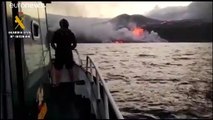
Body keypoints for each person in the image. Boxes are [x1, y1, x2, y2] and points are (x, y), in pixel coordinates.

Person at [51, 18, 77, 86]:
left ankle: (57, 84)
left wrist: (56, 48)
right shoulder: (70, 33)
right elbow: (75, 44)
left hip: (59, 53)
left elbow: (52, 43)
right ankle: (72, 83)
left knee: (58, 68)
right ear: (67, 24)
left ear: (60, 25)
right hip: (68, 53)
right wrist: (70, 48)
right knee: (70, 68)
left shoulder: (57, 33)